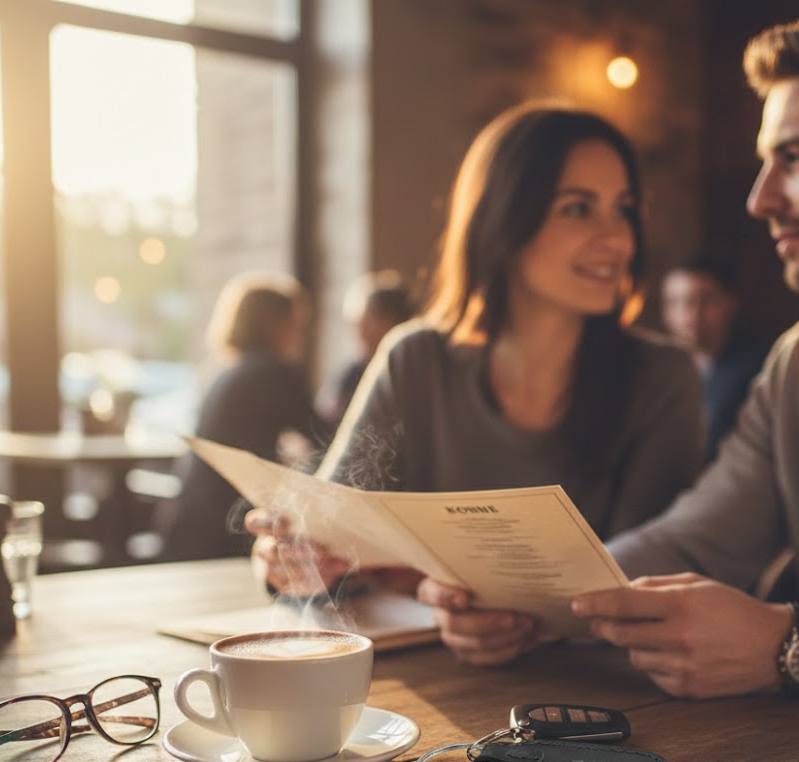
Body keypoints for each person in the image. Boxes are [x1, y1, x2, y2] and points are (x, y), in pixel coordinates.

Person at [425, 2, 799, 762]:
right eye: (764, 160)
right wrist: (528, 595)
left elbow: (785, 637)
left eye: (795, 157)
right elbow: (694, 532)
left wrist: (791, 644)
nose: (758, 194)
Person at [247, 100, 706, 672]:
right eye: (578, 209)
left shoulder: (662, 378)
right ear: (504, 219)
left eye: (624, 210)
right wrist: (289, 558)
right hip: (435, 689)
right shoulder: (415, 358)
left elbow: (649, 581)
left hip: (610, 696)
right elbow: (331, 534)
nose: (616, 238)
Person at [160, 271, 319, 561]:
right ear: (279, 324)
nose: (301, 333)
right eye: (297, 322)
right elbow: (327, 442)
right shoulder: (275, 373)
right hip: (231, 533)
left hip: (190, 523)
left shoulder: (225, 374)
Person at [660, 254, 767, 458]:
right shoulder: (658, 371)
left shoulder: (755, 369)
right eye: (675, 302)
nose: (690, 315)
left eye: (704, 301)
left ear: (730, 303)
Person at [318, 270, 414, 431]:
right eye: (356, 321)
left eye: (369, 320)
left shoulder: (414, 375)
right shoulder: (350, 374)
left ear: (396, 321)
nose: (360, 330)